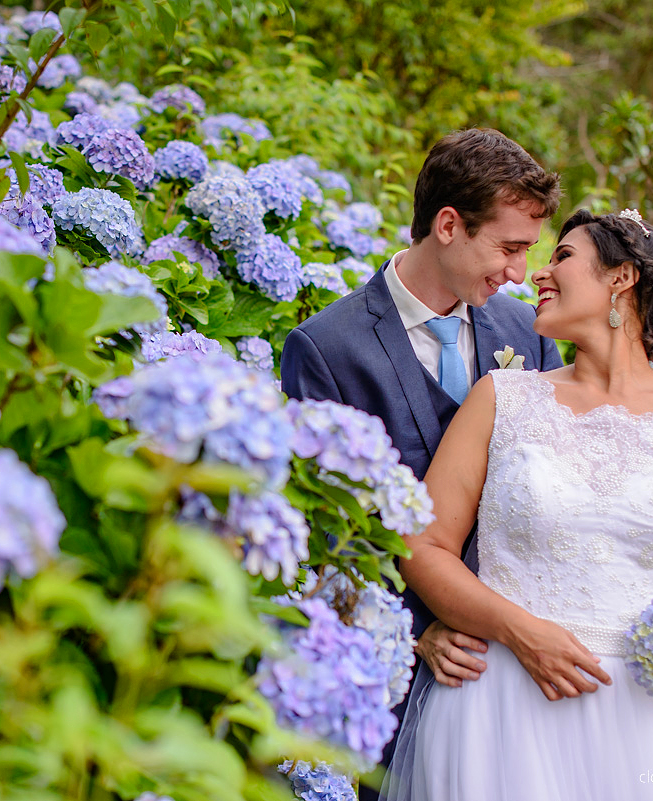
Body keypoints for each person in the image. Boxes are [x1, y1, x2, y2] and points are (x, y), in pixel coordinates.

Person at [384, 209, 653, 800]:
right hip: (498, 703)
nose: (538, 273)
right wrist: (520, 631)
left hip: (639, 718)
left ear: (621, 278)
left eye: (561, 256)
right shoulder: (501, 398)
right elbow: (424, 544)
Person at [280, 128, 564, 797]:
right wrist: (409, 634)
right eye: (509, 247)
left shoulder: (527, 336)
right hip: (397, 694)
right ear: (449, 225)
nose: (520, 272)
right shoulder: (326, 348)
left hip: (519, 680)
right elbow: (321, 534)